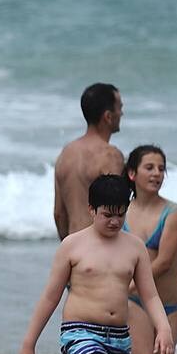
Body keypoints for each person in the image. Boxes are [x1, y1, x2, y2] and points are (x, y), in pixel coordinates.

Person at [17, 174, 174, 354]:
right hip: (80, 332)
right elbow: (50, 297)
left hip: (118, 338)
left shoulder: (134, 248)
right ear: (91, 210)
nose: (114, 222)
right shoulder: (72, 246)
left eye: (120, 214)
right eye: (106, 215)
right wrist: (29, 342)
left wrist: (163, 328)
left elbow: (150, 294)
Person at [122, 145, 177, 354]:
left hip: (169, 302)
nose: (157, 173)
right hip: (136, 300)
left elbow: (165, 262)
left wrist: (125, 287)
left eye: (161, 169)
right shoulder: (122, 212)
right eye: (149, 167)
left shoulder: (173, 212)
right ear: (132, 174)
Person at [53, 83, 126, 239]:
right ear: (108, 116)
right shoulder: (110, 155)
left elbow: (59, 214)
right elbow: (115, 209)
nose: (122, 113)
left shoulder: (66, 153)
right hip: (100, 247)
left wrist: (69, 247)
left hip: (73, 245)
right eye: (120, 108)